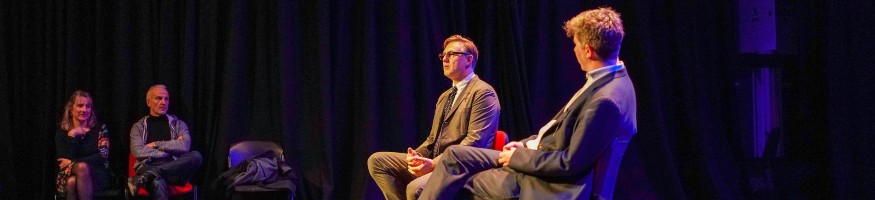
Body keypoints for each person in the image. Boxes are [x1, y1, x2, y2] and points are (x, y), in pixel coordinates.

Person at [418, 7, 636, 199]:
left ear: (588, 50)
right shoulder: (614, 79)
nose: (574, 50)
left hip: (545, 182)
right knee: (457, 155)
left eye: (576, 44)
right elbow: (560, 133)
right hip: (536, 153)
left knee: (459, 182)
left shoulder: (605, 100)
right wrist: (524, 144)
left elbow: (569, 163)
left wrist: (518, 157)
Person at [367, 35, 501, 200]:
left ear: (468, 60)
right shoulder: (445, 96)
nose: (445, 59)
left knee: (415, 188)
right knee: (378, 161)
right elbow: (433, 140)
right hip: (437, 162)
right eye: (443, 55)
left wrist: (434, 164)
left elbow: (475, 141)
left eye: (451, 54)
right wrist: (416, 156)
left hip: (460, 166)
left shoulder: (482, 92)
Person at [128, 85, 202, 199]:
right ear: (148, 102)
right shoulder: (138, 127)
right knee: (157, 182)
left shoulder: (178, 124)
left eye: (166, 99)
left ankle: (151, 174)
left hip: (174, 168)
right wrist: (171, 149)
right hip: (148, 165)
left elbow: (184, 146)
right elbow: (138, 151)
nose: (163, 102)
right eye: (159, 98)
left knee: (196, 156)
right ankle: (152, 174)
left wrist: (156, 144)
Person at [55, 90, 111, 200]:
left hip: (97, 175)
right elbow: (63, 161)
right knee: (72, 181)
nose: (84, 110)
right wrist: (72, 135)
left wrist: (72, 162)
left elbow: (102, 156)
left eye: (88, 106)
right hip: (67, 176)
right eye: (80, 106)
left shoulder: (100, 129)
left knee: (79, 171)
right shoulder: (62, 133)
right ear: (71, 109)